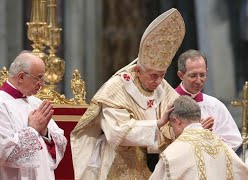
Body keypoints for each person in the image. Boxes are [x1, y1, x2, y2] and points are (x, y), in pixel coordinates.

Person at [71, 8, 187, 180]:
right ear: (139, 71)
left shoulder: (163, 88)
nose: (158, 81)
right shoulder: (116, 88)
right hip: (119, 161)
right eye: (153, 75)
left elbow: (177, 121)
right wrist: (157, 124)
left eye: (162, 74)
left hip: (155, 165)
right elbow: (117, 132)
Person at [149, 96, 248, 180]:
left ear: (177, 121)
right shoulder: (223, 146)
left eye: (171, 126)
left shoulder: (172, 154)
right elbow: (246, 173)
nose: (173, 131)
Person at [0, 51, 67, 180]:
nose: (42, 84)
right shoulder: (1, 104)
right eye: (39, 78)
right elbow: (3, 152)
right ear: (21, 77)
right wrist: (33, 130)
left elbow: (60, 143)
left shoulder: (37, 103)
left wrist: (45, 132)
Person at [175, 49, 242, 150]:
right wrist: (197, 134)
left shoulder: (215, 105)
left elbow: (233, 140)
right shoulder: (168, 102)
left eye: (202, 75)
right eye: (193, 75)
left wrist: (209, 139)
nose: (198, 81)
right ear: (181, 75)